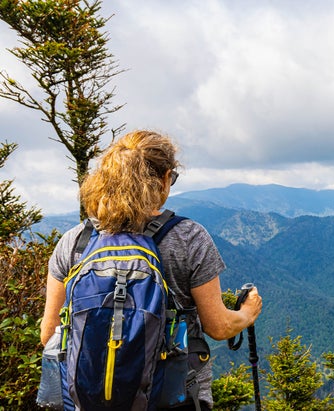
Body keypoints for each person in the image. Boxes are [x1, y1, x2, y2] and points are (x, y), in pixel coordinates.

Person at [40, 130, 263, 411]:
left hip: (87, 400)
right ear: (163, 178)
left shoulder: (76, 241)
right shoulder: (188, 237)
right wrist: (247, 313)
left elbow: (50, 334)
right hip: (173, 397)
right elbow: (218, 327)